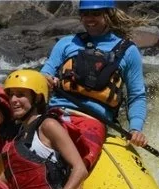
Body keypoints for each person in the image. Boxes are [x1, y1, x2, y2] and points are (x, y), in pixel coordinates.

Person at [40, 0, 147, 148]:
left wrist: (135, 128)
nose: (90, 19)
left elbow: (136, 95)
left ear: (109, 14)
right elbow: (44, 74)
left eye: (96, 14)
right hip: (57, 114)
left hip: (94, 121)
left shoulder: (128, 51)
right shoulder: (66, 43)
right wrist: (46, 79)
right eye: (85, 14)